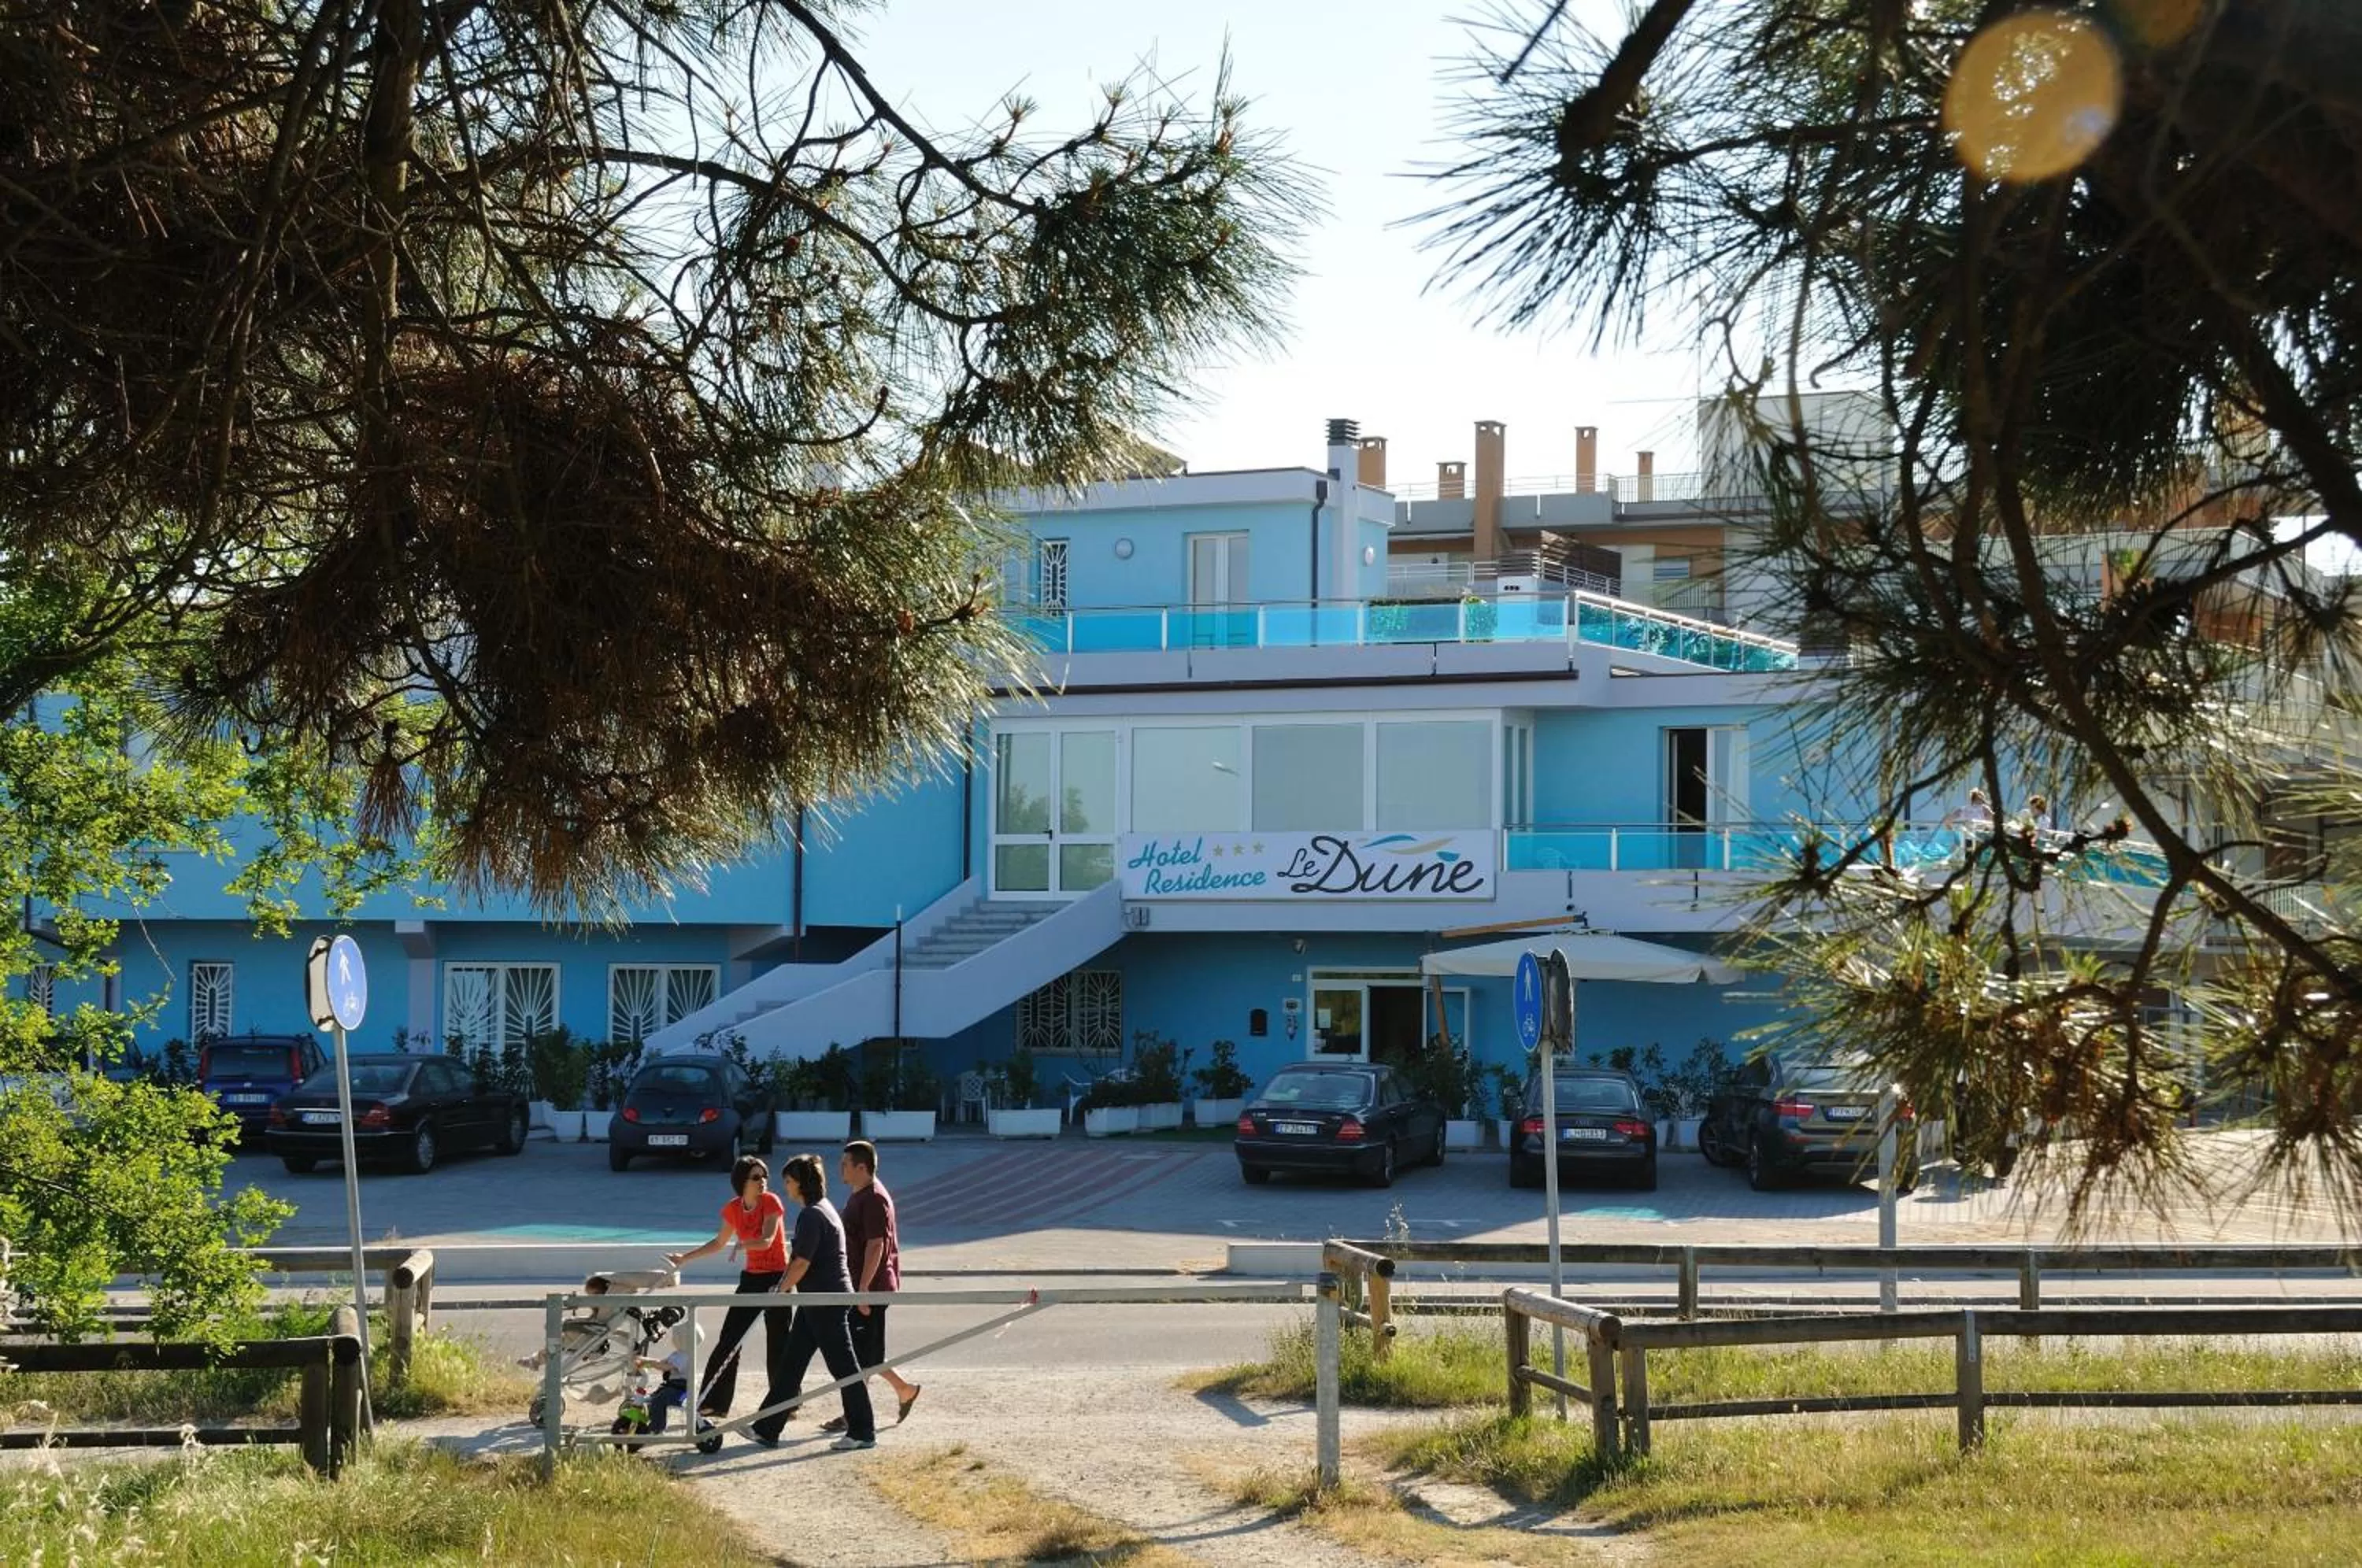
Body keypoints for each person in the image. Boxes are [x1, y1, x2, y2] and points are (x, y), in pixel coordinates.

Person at [752, 1152, 877, 1451]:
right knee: (791, 1365)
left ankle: (862, 1431)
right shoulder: (823, 1209)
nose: (786, 1187)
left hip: (826, 1299)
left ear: (800, 1184)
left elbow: (801, 1263)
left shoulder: (812, 1215)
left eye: (789, 1181)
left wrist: (780, 1289)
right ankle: (767, 1428)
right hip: (817, 1299)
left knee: (844, 1366)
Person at [665, 1155, 790, 1423]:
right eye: (756, 1177)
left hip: (779, 1278)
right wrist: (685, 1258)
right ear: (741, 1182)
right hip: (752, 1279)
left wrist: (744, 1245)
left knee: (778, 1341)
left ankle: (785, 1403)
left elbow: (768, 1240)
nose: (763, 1182)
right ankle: (714, 1402)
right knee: (729, 1339)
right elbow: (719, 1242)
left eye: (765, 1176)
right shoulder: (733, 1208)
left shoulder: (771, 1202)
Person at [828, 1140, 921, 1432]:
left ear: (862, 1167)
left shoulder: (874, 1199)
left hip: (871, 1288)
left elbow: (876, 1244)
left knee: (863, 1354)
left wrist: (864, 1289)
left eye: (845, 1164)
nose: (840, 1169)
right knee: (864, 1352)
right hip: (862, 1287)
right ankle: (897, 1393)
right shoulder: (861, 1194)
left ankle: (862, 1411)